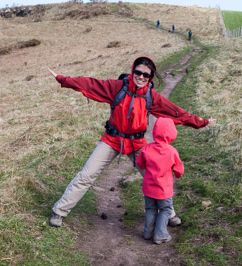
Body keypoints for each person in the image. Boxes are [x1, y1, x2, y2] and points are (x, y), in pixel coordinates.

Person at [48, 56, 215, 227]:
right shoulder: (117, 88)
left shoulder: (151, 96)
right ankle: (59, 212)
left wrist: (200, 121)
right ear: (132, 71)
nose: (141, 77)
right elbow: (90, 84)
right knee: (86, 176)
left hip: (136, 144)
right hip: (111, 139)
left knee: (156, 176)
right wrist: (62, 79)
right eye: (138, 72)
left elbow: (175, 112)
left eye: (146, 75)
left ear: (150, 78)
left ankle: (169, 214)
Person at [136, 117, 184, 244]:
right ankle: (160, 234)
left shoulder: (147, 149)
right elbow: (179, 170)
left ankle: (147, 233)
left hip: (148, 189)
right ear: (172, 134)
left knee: (150, 209)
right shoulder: (172, 152)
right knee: (165, 210)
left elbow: (140, 163)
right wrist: (178, 175)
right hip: (164, 190)